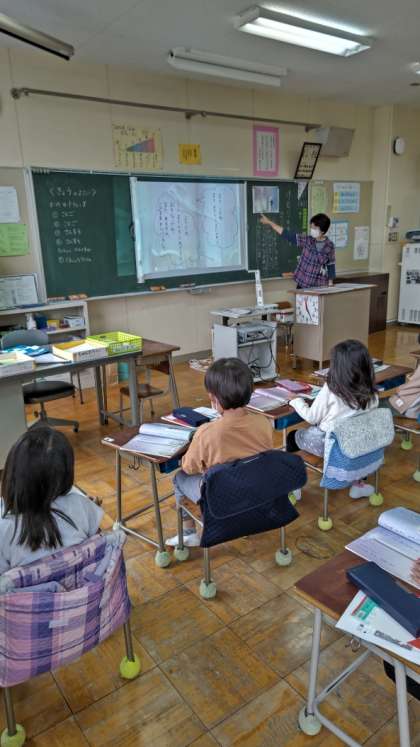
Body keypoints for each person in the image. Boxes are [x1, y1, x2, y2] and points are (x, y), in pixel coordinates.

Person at [166, 357, 273, 547]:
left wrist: (188, 457)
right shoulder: (264, 423)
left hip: (221, 498)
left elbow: (189, 468)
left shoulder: (207, 433)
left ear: (213, 398)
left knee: (180, 478)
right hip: (254, 491)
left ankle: (189, 532)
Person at [0, 426, 104, 574]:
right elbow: (98, 545)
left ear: (12, 472)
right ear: (67, 474)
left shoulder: (4, 527)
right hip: (82, 586)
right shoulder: (81, 505)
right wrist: (88, 508)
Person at [286, 339, 378, 499]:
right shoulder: (371, 390)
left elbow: (311, 417)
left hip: (329, 445)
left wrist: (296, 401)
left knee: (292, 437)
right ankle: (358, 485)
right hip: (357, 444)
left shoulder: (332, 388)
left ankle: (294, 485)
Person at [260, 212, 335, 289]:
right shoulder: (308, 240)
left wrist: (330, 284)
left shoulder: (329, 246)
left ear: (322, 231)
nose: (312, 230)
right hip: (302, 284)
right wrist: (269, 222)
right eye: (311, 227)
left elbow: (331, 265)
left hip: (319, 286)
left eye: (314, 228)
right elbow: (288, 235)